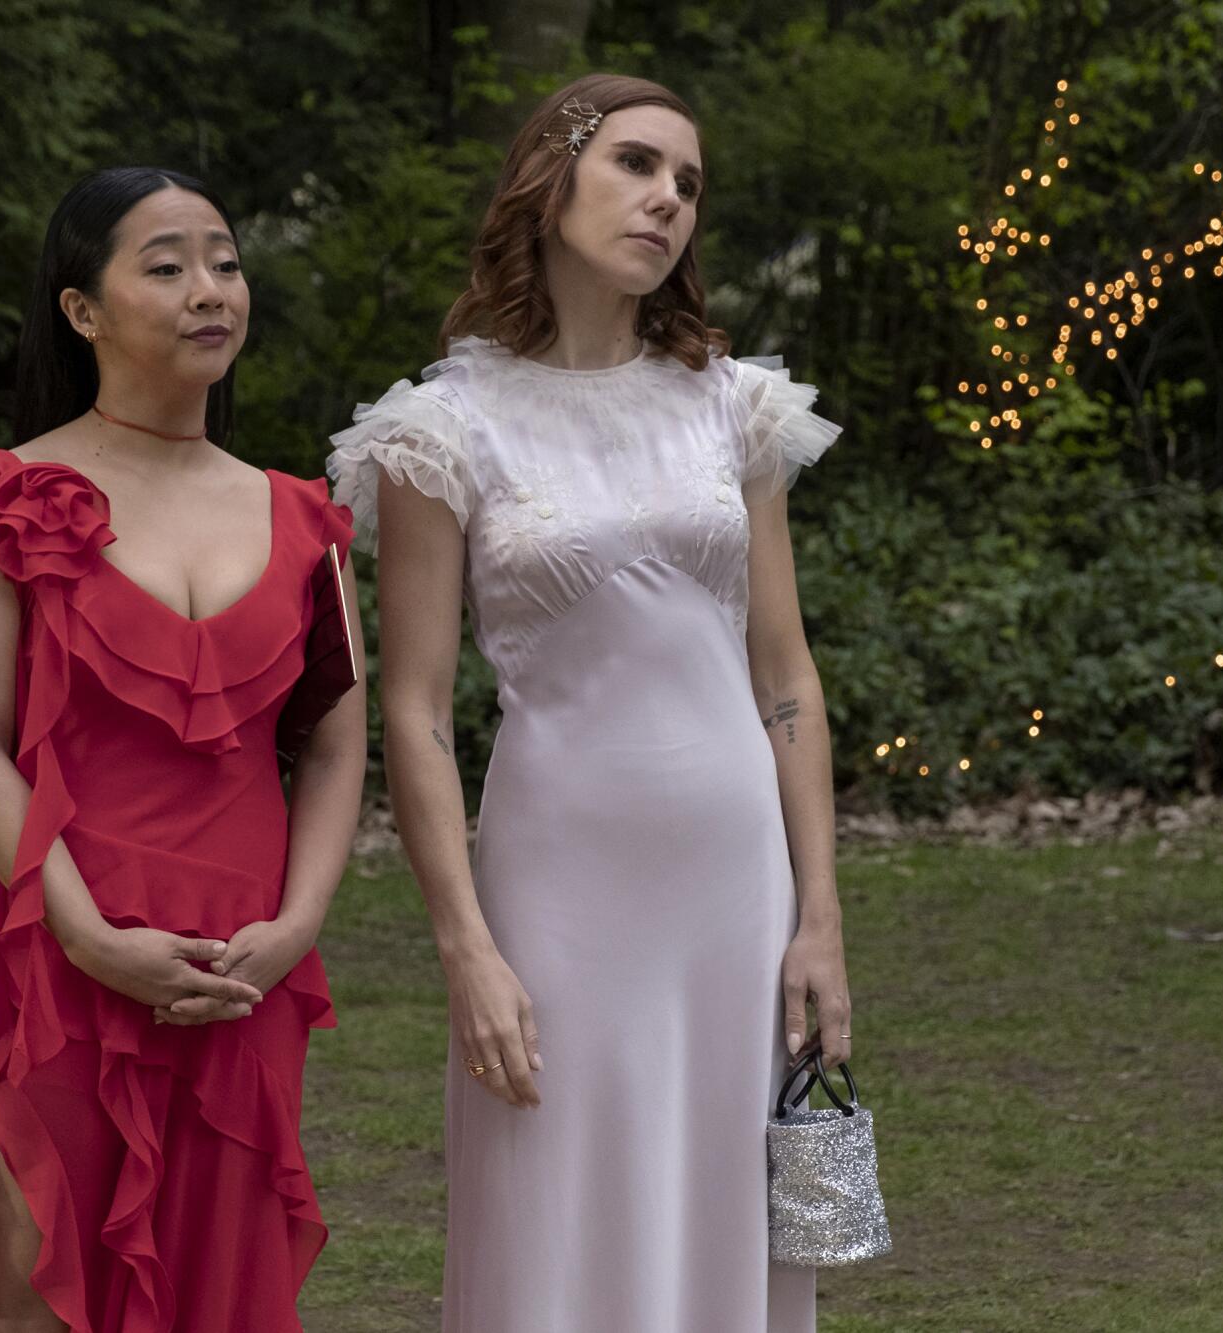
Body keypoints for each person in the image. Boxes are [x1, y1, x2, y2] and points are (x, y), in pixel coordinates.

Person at [329, 74, 853, 1331]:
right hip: (554, 878)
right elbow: (412, 708)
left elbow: (782, 672)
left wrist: (820, 914)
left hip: (735, 881)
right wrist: (464, 945)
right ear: (549, 180)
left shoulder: (734, 406)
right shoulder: (439, 430)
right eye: (635, 164)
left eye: (687, 183)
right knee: (551, 1198)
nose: (667, 198)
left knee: (727, 1190)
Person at [0, 166, 365, 1332]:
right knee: (41, 1302)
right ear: (82, 310)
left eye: (224, 260)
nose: (209, 290)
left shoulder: (304, 516)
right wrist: (87, 933)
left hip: (239, 967)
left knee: (219, 1290)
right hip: (57, 950)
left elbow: (329, 748)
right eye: (165, 266)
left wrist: (296, 925)